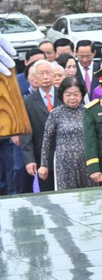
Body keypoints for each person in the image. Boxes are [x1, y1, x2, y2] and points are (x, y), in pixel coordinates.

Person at [37, 76, 91, 190]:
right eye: (68, 94)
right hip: (64, 164)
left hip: (87, 162)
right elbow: (47, 141)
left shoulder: (88, 111)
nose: (72, 98)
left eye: (76, 94)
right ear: (62, 95)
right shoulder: (56, 113)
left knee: (89, 196)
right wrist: (44, 165)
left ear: (82, 94)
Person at [19, 60, 58, 192]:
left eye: (48, 72)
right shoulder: (28, 101)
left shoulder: (65, 95)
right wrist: (29, 159)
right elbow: (26, 133)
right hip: (42, 158)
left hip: (66, 155)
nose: (46, 77)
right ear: (34, 77)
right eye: (41, 74)